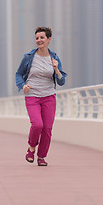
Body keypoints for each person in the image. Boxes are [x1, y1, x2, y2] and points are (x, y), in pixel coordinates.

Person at [15, 27, 67, 166]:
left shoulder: (54, 58)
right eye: (37, 38)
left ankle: (41, 157)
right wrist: (22, 85)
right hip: (32, 95)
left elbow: (61, 81)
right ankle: (31, 148)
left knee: (47, 129)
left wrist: (56, 69)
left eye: (42, 38)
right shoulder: (29, 57)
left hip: (49, 96)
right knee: (37, 125)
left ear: (49, 39)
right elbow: (19, 74)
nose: (39, 40)